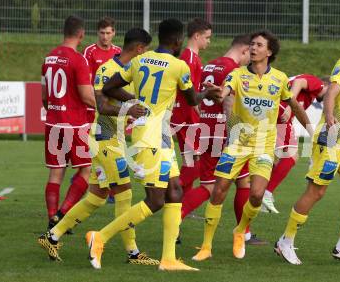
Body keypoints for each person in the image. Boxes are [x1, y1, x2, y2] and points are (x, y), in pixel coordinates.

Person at [84, 18, 221, 271]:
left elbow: (109, 87)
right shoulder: (179, 66)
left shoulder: (139, 61)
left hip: (160, 136)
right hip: (151, 138)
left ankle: (168, 259)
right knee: (156, 200)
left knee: (175, 191)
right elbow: (192, 100)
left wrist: (132, 102)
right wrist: (209, 94)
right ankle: (99, 237)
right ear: (179, 41)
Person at [37, 28, 159, 266]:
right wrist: (128, 110)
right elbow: (101, 106)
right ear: (139, 49)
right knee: (124, 192)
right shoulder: (107, 70)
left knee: (97, 196)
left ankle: (52, 236)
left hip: (113, 139)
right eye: (146, 50)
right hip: (105, 138)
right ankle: (133, 253)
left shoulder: (127, 72)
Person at [192, 30, 312, 261]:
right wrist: (217, 93)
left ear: (269, 51)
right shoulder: (237, 74)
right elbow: (224, 93)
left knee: (256, 195)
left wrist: (313, 132)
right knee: (218, 191)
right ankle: (206, 246)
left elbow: (295, 106)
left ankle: (240, 230)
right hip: (236, 145)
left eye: (258, 45)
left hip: (263, 148)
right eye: (252, 45)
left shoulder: (278, 78)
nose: (253, 48)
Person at [274, 21, 340, 265]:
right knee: (317, 191)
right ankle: (285, 241)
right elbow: (332, 92)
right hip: (333, 138)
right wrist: (330, 116)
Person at [181, 34, 266, 245]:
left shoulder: (210, 66)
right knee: (243, 181)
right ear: (244, 50)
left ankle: (175, 217)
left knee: (209, 185)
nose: (251, 58)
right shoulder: (234, 71)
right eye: (251, 52)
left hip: (205, 129)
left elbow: (198, 99)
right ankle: (244, 234)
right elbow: (229, 104)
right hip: (225, 133)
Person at [40, 15, 95, 231]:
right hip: (75, 125)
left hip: (54, 123)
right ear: (81, 34)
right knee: (85, 171)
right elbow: (86, 95)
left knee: (56, 173)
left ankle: (51, 216)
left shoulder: (49, 58)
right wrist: (103, 105)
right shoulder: (78, 59)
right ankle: (62, 215)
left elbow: (44, 95)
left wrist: (53, 110)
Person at [261, 74, 329, 214]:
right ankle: (265, 193)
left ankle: (257, 192)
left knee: (272, 158)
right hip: (279, 109)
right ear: (327, 85)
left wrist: (312, 132)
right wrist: (289, 107)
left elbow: (299, 110)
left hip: (270, 108)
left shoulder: (310, 95)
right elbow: (298, 82)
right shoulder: (318, 83)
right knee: (291, 156)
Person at [171, 18, 212, 195]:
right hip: (185, 117)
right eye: (207, 37)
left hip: (189, 115)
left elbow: (192, 89)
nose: (209, 41)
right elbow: (185, 90)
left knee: (191, 162)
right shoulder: (188, 58)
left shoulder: (194, 58)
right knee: (197, 165)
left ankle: (181, 206)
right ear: (197, 36)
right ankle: (169, 190)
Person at [83, 17, 121, 125]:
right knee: (90, 140)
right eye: (102, 33)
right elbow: (87, 81)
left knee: (110, 140)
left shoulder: (118, 52)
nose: (105, 37)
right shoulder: (89, 52)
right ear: (97, 33)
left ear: (114, 32)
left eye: (108, 33)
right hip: (94, 105)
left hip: (112, 105)